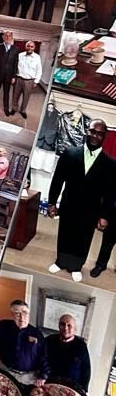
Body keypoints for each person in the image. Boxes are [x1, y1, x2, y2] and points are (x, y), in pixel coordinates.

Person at [48, 117, 116, 280]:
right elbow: (57, 180)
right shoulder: (70, 153)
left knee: (84, 238)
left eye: (100, 134)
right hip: (68, 203)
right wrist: (51, 203)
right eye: (92, 131)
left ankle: (76, 266)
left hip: (92, 209)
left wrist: (104, 216)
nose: (95, 136)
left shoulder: (110, 163)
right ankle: (60, 261)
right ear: (87, 131)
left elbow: (109, 192)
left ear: (104, 136)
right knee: (65, 233)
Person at [0, 300, 49, 382]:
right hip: (6, 371)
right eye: (17, 313)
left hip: (29, 377)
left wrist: (43, 376)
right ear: (12, 315)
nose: (22, 317)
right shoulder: (3, 326)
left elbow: (43, 356)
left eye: (25, 312)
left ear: (29, 314)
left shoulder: (36, 333)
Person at [45, 313, 91, 390]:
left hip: (71, 389)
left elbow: (86, 370)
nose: (65, 328)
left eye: (69, 325)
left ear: (75, 329)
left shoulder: (81, 346)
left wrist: (83, 390)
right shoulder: (49, 340)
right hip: (49, 385)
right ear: (59, 326)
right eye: (63, 324)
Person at [13, 37, 42, 119]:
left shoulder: (37, 57)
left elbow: (39, 70)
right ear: (25, 47)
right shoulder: (20, 55)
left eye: (31, 46)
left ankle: (23, 111)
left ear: (34, 48)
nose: (29, 48)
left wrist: (36, 81)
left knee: (26, 97)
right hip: (18, 79)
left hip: (29, 81)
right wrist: (13, 77)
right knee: (15, 95)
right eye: (28, 46)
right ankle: (14, 108)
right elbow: (15, 67)